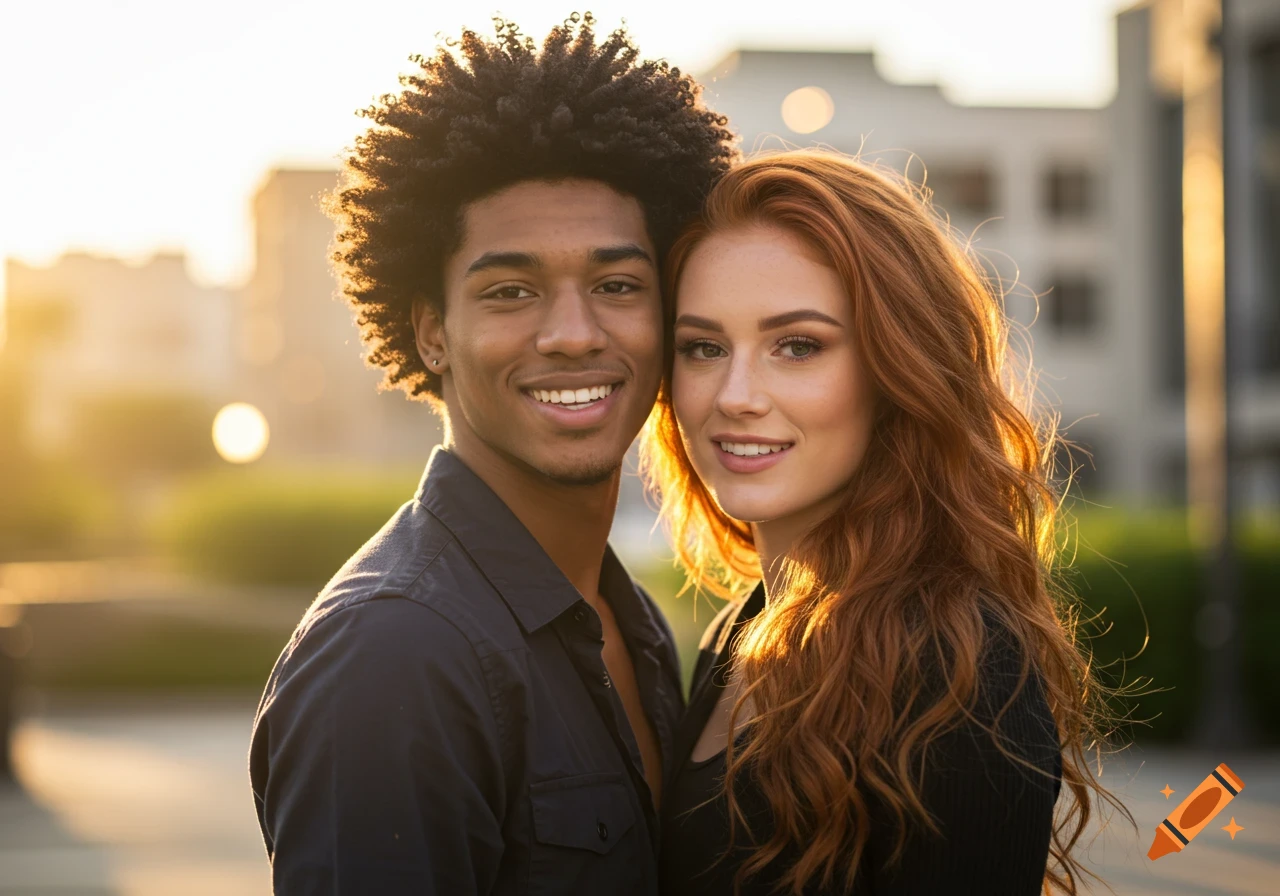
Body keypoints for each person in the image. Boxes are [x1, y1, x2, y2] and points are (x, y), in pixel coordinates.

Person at [248, 16, 736, 895]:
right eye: (510, 291)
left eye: (618, 285)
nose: (571, 334)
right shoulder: (392, 654)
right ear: (432, 331)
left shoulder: (631, 625)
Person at [641, 151, 1122, 895]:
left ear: (896, 367)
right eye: (703, 347)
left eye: (797, 345)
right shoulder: (739, 630)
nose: (734, 395)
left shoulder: (958, 665)